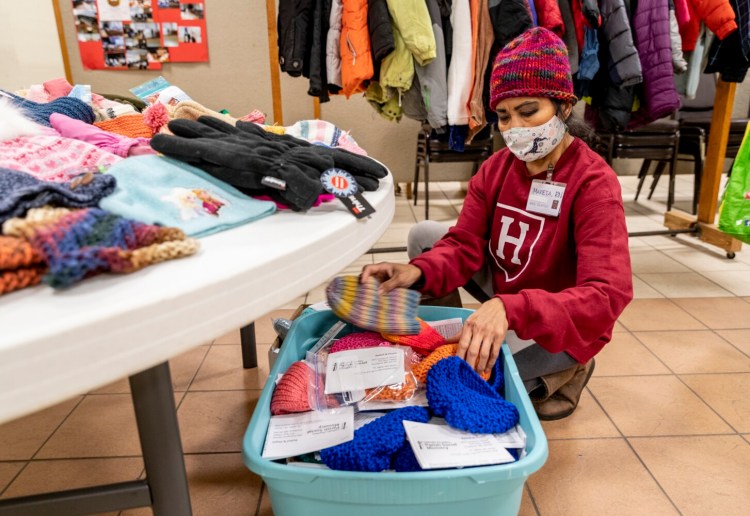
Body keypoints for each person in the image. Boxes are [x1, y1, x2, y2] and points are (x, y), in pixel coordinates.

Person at [361, 27, 633, 421]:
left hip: (562, 317)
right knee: (425, 239)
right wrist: (415, 272)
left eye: (529, 111)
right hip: (514, 297)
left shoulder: (593, 182)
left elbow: (607, 296)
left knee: (466, 385)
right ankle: (449, 338)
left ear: (564, 108)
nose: (515, 128)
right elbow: (464, 244)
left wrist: (510, 307)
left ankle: (568, 369)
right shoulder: (496, 169)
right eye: (504, 116)